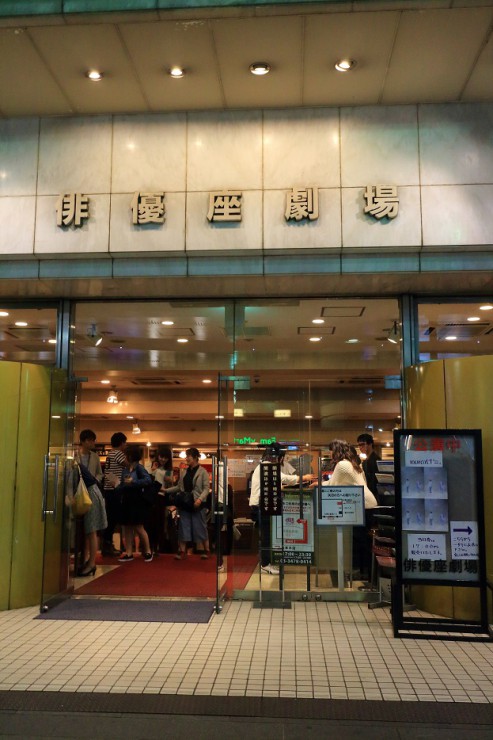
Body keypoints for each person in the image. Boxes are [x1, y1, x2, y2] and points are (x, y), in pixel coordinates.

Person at [249, 442, 314, 575]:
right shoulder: (267, 466)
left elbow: (274, 483)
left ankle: (266, 562)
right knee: (266, 535)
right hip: (262, 505)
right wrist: (304, 477)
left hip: (262, 505)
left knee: (267, 535)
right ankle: (265, 564)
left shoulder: (263, 466)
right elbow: (284, 478)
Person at [327, 439, 378, 581]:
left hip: (361, 506)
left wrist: (317, 485)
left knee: (357, 542)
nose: (330, 454)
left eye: (331, 451)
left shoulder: (342, 465)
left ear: (336, 451)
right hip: (369, 504)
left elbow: (332, 486)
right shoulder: (353, 463)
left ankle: (359, 572)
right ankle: (365, 573)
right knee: (363, 542)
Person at [166, 447, 211, 561]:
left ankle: (206, 550)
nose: (186, 458)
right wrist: (166, 490)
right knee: (183, 527)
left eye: (188, 456)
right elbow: (179, 487)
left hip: (197, 504)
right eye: (186, 456)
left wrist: (199, 499)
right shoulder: (184, 471)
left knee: (200, 527)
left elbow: (206, 489)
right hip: (185, 503)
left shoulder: (203, 472)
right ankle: (182, 551)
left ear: (195, 457)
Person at [117, 445, 154, 563]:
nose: (124, 457)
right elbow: (122, 485)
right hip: (126, 500)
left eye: (126, 455)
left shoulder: (139, 468)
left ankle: (148, 551)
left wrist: (134, 482)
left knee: (139, 526)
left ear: (131, 456)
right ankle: (129, 552)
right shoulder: (125, 470)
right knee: (127, 527)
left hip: (137, 500)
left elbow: (148, 480)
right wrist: (118, 486)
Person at [75, 463, 108, 577]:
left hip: (91, 495)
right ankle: (89, 561)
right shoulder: (77, 465)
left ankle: (91, 563)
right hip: (92, 493)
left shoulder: (75, 466)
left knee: (91, 530)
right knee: (90, 531)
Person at [102, 431, 127, 556]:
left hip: (108, 489)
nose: (125, 445)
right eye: (125, 443)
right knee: (113, 518)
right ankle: (107, 546)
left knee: (110, 518)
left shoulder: (110, 454)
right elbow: (128, 466)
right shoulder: (118, 453)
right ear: (121, 443)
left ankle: (107, 545)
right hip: (115, 490)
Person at [149, 445, 175, 555]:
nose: (163, 459)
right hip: (151, 497)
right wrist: (153, 471)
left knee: (160, 523)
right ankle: (150, 547)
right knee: (151, 522)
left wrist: (169, 481)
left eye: (166, 458)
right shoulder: (151, 466)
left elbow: (170, 485)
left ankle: (158, 547)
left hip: (161, 497)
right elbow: (148, 480)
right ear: (158, 456)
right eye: (161, 457)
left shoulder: (168, 470)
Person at [357, 433, 381, 503]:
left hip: (374, 495)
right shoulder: (366, 461)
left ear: (370, 444)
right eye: (359, 445)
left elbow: (373, 482)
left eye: (362, 444)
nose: (360, 447)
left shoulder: (375, 460)